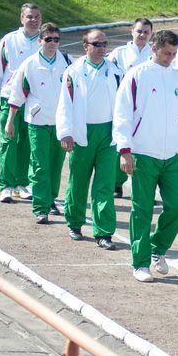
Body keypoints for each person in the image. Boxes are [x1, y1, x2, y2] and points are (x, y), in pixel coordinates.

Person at [113, 30, 178, 283]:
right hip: (143, 153)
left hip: (173, 154)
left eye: (173, 54)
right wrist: (125, 150)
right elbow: (122, 114)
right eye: (166, 53)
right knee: (142, 209)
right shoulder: (136, 75)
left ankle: (157, 248)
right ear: (154, 48)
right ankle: (140, 263)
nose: (170, 58)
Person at [56, 30, 122, 248]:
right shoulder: (73, 71)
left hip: (108, 134)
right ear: (86, 46)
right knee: (78, 181)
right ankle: (74, 223)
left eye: (104, 44)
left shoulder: (115, 71)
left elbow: (124, 105)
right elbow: (65, 103)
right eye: (96, 44)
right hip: (81, 133)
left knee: (104, 184)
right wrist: (65, 132)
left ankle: (103, 232)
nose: (101, 48)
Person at [5, 23, 70, 224]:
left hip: (61, 123)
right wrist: (10, 121)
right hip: (37, 122)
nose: (52, 43)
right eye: (48, 39)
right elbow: (17, 94)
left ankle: (50, 199)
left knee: (56, 165)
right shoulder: (29, 64)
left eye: (56, 39)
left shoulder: (67, 62)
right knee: (40, 165)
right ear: (40, 41)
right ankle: (41, 207)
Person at [0, 3, 41, 203]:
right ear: (21, 18)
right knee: (8, 141)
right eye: (29, 16)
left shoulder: (43, 41)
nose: (33, 20)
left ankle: (20, 184)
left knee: (26, 143)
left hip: (33, 101)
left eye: (37, 17)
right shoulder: (9, 40)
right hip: (10, 98)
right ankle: (5, 185)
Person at [107, 18, 154, 197]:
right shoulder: (119, 53)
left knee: (143, 147)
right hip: (123, 105)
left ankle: (143, 187)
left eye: (146, 32)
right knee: (120, 141)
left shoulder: (154, 53)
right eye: (139, 31)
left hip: (146, 107)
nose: (142, 35)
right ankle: (116, 182)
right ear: (132, 31)